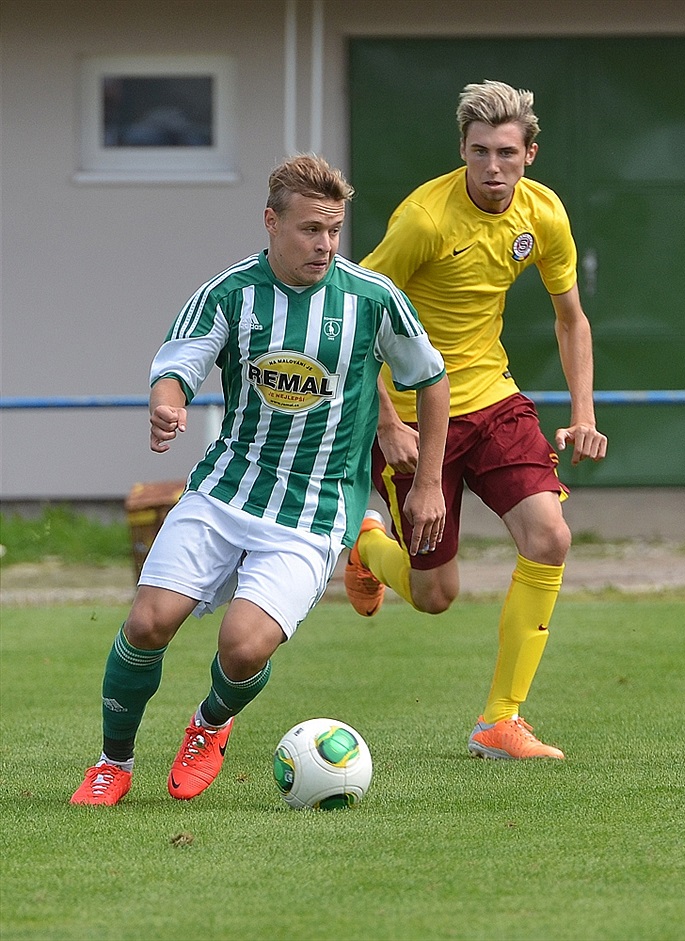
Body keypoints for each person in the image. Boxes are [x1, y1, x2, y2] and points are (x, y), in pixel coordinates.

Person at [71, 154, 449, 806]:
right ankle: (114, 761)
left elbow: (431, 378)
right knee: (148, 622)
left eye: (333, 229)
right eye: (309, 229)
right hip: (227, 487)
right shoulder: (229, 293)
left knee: (243, 647)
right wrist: (167, 402)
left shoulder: (370, 298)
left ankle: (211, 723)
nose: (325, 244)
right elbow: (178, 363)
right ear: (271, 222)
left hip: (317, 505)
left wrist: (429, 482)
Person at [344, 80, 608, 760]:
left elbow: (571, 318)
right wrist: (382, 425)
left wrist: (583, 413)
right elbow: (353, 319)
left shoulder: (543, 215)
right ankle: (367, 545)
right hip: (411, 414)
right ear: (462, 151)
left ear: (530, 155)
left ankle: (501, 720)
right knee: (436, 595)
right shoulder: (423, 221)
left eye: (507, 153)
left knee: (549, 536)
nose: (493, 167)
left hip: (493, 399)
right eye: (480, 152)